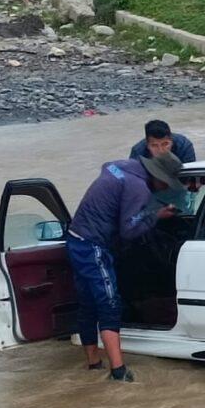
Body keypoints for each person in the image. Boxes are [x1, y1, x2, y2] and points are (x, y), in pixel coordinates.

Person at [66, 153, 183, 381]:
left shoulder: (123, 167)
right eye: (166, 183)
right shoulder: (138, 187)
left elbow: (105, 166)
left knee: (88, 303)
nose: (164, 188)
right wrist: (156, 214)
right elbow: (128, 230)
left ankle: (93, 363)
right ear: (158, 177)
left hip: (75, 237)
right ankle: (118, 371)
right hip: (93, 245)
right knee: (109, 303)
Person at [129, 119, 197, 164]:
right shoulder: (138, 152)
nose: (161, 151)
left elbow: (193, 178)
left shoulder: (184, 146)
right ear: (147, 145)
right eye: (154, 145)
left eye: (165, 144)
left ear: (171, 141)